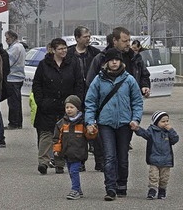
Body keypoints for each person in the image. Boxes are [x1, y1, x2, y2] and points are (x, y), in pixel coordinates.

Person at [85, 48, 144, 201]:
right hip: (106, 124)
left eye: (117, 60)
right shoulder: (98, 80)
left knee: (123, 157)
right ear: (106, 63)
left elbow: (137, 101)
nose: (114, 62)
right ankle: (110, 188)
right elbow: (90, 102)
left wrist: (136, 119)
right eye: (111, 60)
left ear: (121, 62)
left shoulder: (129, 79)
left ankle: (122, 185)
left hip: (125, 124)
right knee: (110, 156)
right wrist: (90, 121)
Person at [33, 38, 84, 175]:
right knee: (46, 133)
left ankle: (59, 163)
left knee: (64, 135)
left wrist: (77, 102)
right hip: (47, 105)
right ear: (53, 50)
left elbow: (79, 83)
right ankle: (43, 162)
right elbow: (37, 84)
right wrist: (41, 102)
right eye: (60, 49)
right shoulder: (44, 65)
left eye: (65, 48)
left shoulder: (72, 63)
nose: (64, 51)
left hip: (67, 105)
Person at [66, 26, 102, 172]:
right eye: (85, 36)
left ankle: (100, 161)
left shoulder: (96, 53)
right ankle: (79, 161)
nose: (88, 39)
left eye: (89, 36)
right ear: (77, 38)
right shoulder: (68, 53)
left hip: (93, 95)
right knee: (77, 132)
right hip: (75, 96)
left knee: (95, 129)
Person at [86, 27, 150, 98]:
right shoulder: (101, 59)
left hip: (130, 103)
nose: (128, 44)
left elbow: (144, 75)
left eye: (129, 40)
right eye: (124, 41)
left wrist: (145, 86)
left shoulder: (135, 58)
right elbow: (90, 82)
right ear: (115, 40)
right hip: (107, 104)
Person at [132, 111, 179, 200]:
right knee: (153, 176)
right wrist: (137, 129)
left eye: (167, 121)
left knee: (164, 178)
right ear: (156, 122)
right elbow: (144, 134)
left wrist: (171, 130)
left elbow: (175, 139)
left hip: (166, 160)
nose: (166, 123)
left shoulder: (168, 132)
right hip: (154, 159)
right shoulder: (151, 131)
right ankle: (152, 190)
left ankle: (162, 190)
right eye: (163, 121)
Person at [52, 95, 90, 200]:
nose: (69, 110)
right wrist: (57, 149)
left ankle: (75, 190)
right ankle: (78, 190)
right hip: (67, 152)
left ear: (77, 108)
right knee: (71, 172)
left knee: (74, 171)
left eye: (71, 107)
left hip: (78, 153)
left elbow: (89, 136)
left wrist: (92, 130)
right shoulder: (61, 123)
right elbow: (57, 138)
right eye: (67, 107)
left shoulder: (83, 122)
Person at [5, 30, 26, 130]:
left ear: (13, 37)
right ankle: (17, 122)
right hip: (17, 77)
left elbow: (8, 62)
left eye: (7, 38)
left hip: (13, 78)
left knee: (13, 102)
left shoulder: (15, 48)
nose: (6, 40)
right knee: (16, 101)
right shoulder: (19, 46)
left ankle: (14, 123)